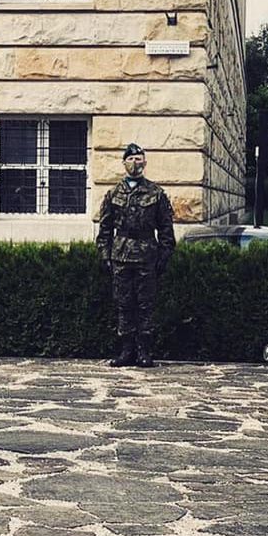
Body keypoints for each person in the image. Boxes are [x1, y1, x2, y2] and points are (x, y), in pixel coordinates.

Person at [96, 143, 176, 368]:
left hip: (146, 255)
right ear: (124, 163)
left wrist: (163, 256)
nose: (135, 163)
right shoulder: (113, 193)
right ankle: (126, 351)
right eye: (131, 159)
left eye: (139, 159)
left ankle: (144, 351)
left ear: (145, 163)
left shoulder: (156, 193)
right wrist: (105, 255)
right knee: (123, 304)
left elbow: (166, 229)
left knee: (145, 305)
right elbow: (104, 229)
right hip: (121, 255)